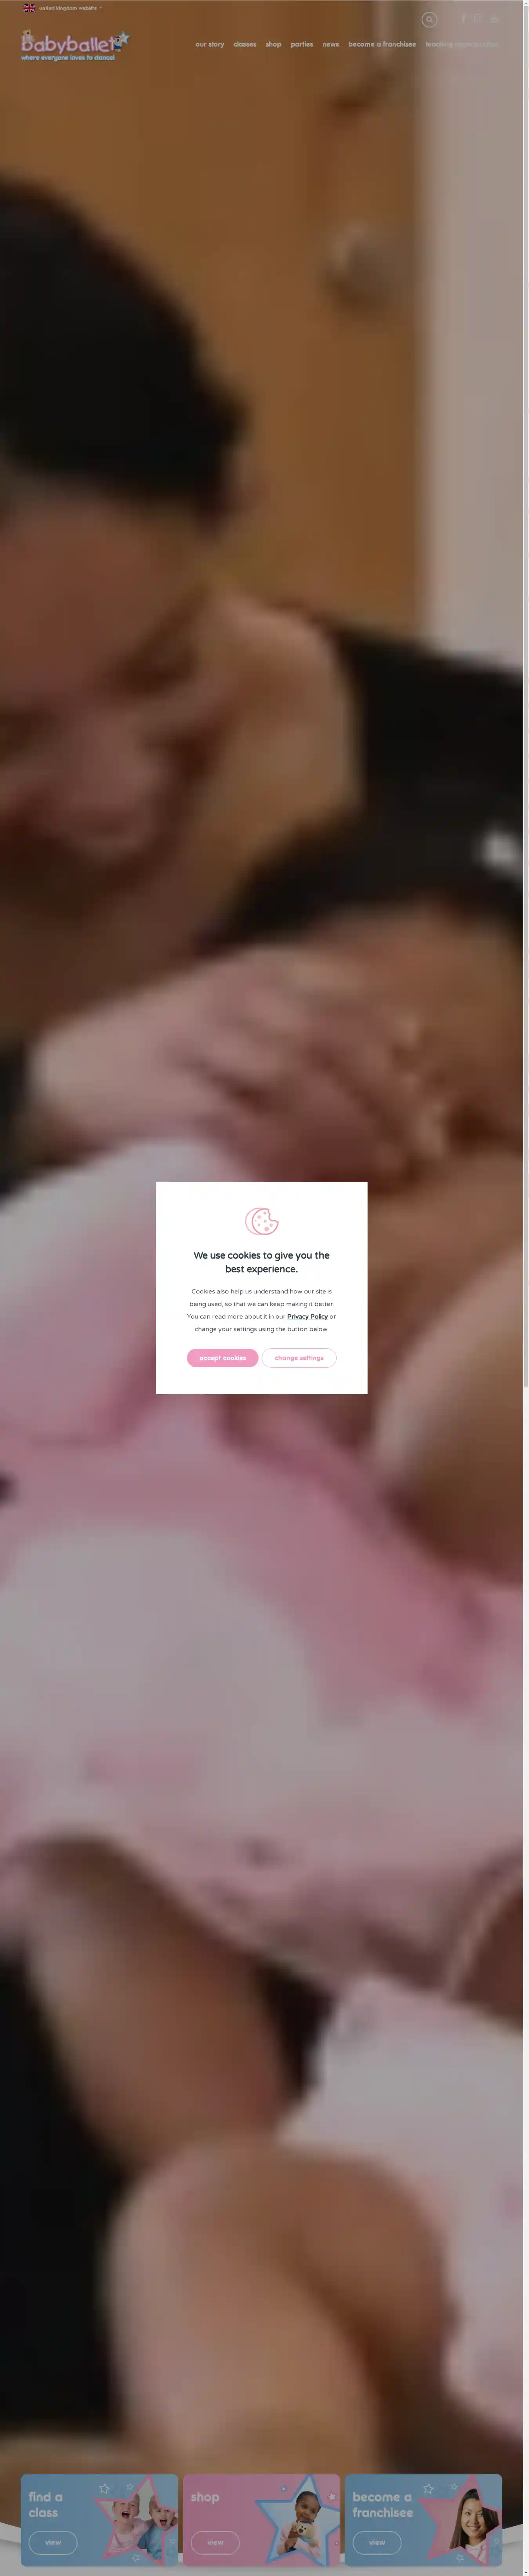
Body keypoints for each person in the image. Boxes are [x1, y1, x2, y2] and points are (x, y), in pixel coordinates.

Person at [0, 810, 521, 2494]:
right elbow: (70, 1307)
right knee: (209, 2218)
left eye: (473, 1126)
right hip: (444, 2175)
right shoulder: (177, 1334)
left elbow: (445, 1444)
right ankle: (273, 2506)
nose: (402, 1174)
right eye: (330, 1102)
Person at [0, 179, 352, 1072]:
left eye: (166, 668)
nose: (113, 796)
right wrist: (44, 1098)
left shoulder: (479, 773)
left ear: (233, 501)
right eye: (5, 740)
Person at [450, 2494, 500, 2561]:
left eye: (481, 2514)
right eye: (468, 2513)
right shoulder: (451, 2554)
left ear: (490, 2517)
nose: (474, 2521)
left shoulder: (500, 2550)